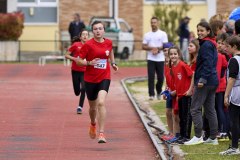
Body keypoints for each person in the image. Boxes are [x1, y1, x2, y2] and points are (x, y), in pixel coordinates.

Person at [76, 21, 118, 143]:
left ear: (104, 30)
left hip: (104, 77)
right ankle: (93, 123)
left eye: (100, 28)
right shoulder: (88, 45)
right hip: (90, 79)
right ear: (92, 31)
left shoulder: (109, 42)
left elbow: (110, 52)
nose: (98, 31)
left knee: (101, 103)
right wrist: (89, 63)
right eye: (95, 29)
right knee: (93, 108)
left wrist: (113, 63)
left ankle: (101, 133)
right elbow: (79, 61)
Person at [184, 21, 219, 145]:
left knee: (195, 108)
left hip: (205, 82)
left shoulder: (206, 45)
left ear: (208, 31)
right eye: (198, 30)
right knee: (210, 109)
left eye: (202, 30)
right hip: (213, 81)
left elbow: (208, 64)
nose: (199, 33)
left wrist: (202, 79)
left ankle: (198, 136)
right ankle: (213, 138)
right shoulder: (210, 43)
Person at [168, 46, 194, 144]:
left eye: (175, 54)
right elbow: (177, 82)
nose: (173, 56)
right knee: (181, 116)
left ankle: (186, 136)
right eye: (171, 54)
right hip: (180, 95)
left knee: (186, 116)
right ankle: (182, 136)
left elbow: (192, 76)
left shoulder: (183, 65)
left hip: (186, 94)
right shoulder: (173, 67)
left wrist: (190, 90)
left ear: (179, 55)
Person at [220, 35, 240, 155]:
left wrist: (226, 95)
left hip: (236, 92)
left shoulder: (234, 60)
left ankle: (234, 147)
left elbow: (232, 78)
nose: (226, 48)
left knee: (234, 120)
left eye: (228, 46)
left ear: (234, 46)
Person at [142, 16, 168, 100]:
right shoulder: (147, 35)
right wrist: (152, 49)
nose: (153, 24)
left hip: (160, 59)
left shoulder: (163, 34)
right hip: (151, 59)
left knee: (161, 78)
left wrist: (157, 49)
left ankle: (158, 90)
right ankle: (151, 94)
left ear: (158, 23)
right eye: (152, 23)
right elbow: (143, 46)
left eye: (155, 22)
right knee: (151, 77)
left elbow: (165, 45)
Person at [65, 29, 89, 114]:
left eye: (87, 34)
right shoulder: (76, 45)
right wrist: (74, 59)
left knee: (84, 88)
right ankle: (77, 91)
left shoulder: (90, 45)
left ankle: (80, 107)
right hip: (75, 71)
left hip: (85, 71)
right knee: (77, 92)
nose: (85, 36)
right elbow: (66, 55)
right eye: (83, 34)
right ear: (80, 36)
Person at [160, 42, 180, 142]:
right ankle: (171, 132)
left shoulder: (175, 63)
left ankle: (176, 133)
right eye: (164, 51)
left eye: (166, 51)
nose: (165, 52)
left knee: (174, 113)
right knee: (168, 112)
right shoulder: (165, 63)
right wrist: (165, 90)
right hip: (169, 90)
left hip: (175, 91)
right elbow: (167, 79)